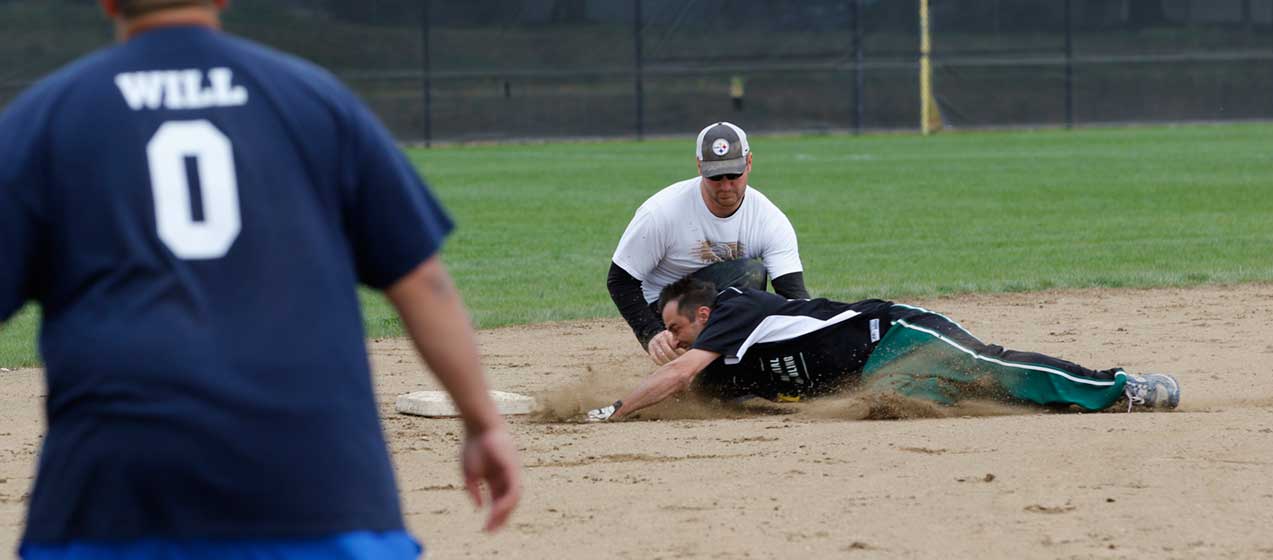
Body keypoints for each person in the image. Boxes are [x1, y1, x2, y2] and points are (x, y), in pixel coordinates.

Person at [0, 0, 520, 557]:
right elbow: (422, 282)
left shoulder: (44, 117)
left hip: (112, 493)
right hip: (315, 482)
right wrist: (481, 422)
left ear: (107, 2)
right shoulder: (313, 98)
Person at [586, 277, 1180, 421]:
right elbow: (690, 389)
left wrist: (614, 411)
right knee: (995, 395)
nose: (672, 340)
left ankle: (1116, 386)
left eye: (676, 328)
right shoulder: (720, 372)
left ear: (705, 316)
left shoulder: (736, 310)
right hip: (881, 377)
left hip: (893, 332)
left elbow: (677, 374)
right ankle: (1074, 404)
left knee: (988, 364)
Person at [608, 121, 811, 367]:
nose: (725, 186)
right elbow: (621, 280)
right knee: (748, 274)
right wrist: (650, 334)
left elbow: (793, 296)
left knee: (754, 291)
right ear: (699, 166)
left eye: (734, 174)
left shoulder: (769, 220)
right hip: (667, 313)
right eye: (715, 176)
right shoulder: (661, 212)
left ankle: (721, 369)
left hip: (716, 308)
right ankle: (715, 367)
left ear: (749, 163)